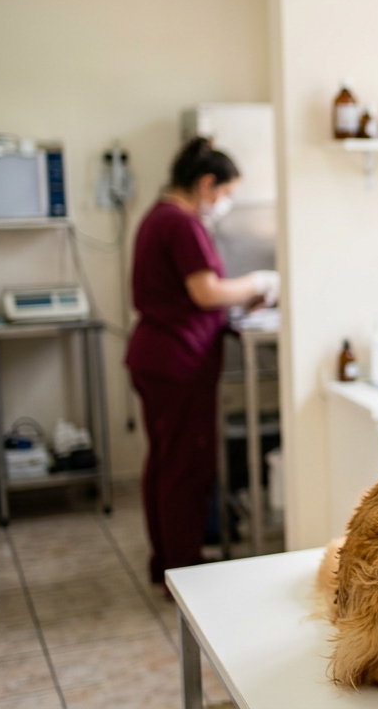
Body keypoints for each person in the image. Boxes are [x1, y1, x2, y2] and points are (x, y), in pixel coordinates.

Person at [125, 137, 280, 586]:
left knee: (164, 461)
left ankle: (167, 564)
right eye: (226, 193)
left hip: (157, 355)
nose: (224, 204)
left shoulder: (159, 216)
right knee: (184, 467)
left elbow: (188, 296)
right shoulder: (181, 223)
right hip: (177, 361)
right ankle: (185, 572)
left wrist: (236, 306)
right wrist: (257, 282)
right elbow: (204, 291)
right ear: (206, 183)